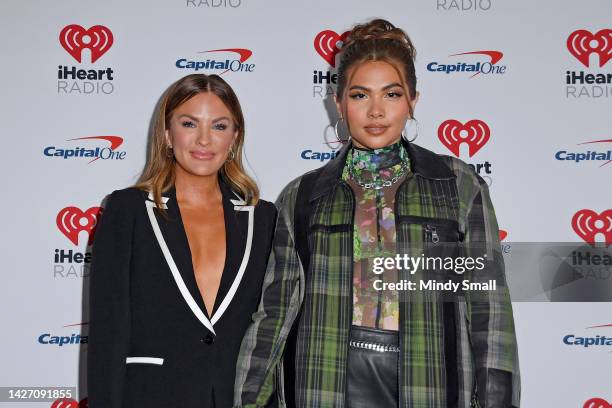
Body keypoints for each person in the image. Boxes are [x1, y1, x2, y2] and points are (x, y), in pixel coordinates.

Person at [234, 19, 520, 407]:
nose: (375, 111)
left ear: (413, 100)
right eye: (359, 95)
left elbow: (489, 307)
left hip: (429, 383)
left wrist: (496, 400)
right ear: (338, 103)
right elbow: (275, 313)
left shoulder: (456, 184)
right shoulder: (301, 196)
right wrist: (251, 399)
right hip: (323, 382)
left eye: (391, 94)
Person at [87, 74, 277, 407]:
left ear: (234, 138)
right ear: (166, 135)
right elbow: (108, 334)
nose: (204, 140)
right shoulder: (127, 210)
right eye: (189, 124)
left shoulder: (263, 219)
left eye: (219, 126)